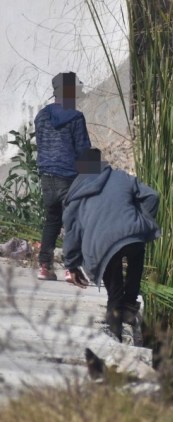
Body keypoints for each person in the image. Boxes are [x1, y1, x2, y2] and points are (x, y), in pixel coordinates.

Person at [63, 148, 160, 343]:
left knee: (114, 291)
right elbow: (153, 197)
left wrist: (71, 265)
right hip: (132, 234)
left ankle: (114, 335)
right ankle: (131, 306)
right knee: (137, 250)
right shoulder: (122, 177)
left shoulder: (77, 194)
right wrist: (142, 220)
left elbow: (72, 232)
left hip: (102, 246)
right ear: (103, 163)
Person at [34, 72, 91, 281]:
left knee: (52, 221)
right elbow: (83, 149)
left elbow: (41, 145)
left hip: (46, 175)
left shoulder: (41, 116)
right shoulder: (76, 117)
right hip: (68, 176)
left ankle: (44, 267)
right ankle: (71, 269)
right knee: (72, 223)